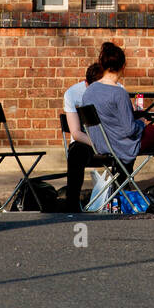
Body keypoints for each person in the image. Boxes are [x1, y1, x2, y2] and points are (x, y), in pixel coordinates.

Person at [81, 41, 154, 202]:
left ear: (102, 65)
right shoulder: (119, 93)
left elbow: (109, 118)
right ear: (123, 66)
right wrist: (141, 122)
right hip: (120, 145)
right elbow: (129, 130)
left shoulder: (89, 92)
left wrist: (133, 116)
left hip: (100, 144)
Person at [63, 61, 104, 212]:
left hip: (111, 142)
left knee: (126, 149)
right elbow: (76, 132)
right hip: (86, 141)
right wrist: (98, 144)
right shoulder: (73, 94)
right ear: (86, 83)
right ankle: (72, 204)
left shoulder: (115, 88)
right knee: (75, 153)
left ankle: (122, 195)